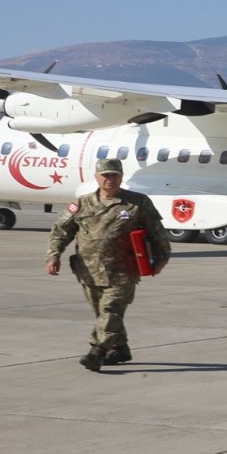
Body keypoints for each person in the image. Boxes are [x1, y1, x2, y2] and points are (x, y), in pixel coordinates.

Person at [46, 158, 171, 372]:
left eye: (114, 175)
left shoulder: (137, 203)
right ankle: (120, 349)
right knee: (103, 314)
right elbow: (61, 231)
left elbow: (157, 232)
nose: (110, 180)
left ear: (121, 177)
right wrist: (53, 255)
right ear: (96, 177)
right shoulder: (82, 204)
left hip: (123, 271)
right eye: (105, 175)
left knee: (111, 311)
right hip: (88, 271)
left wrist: (161, 259)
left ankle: (98, 352)